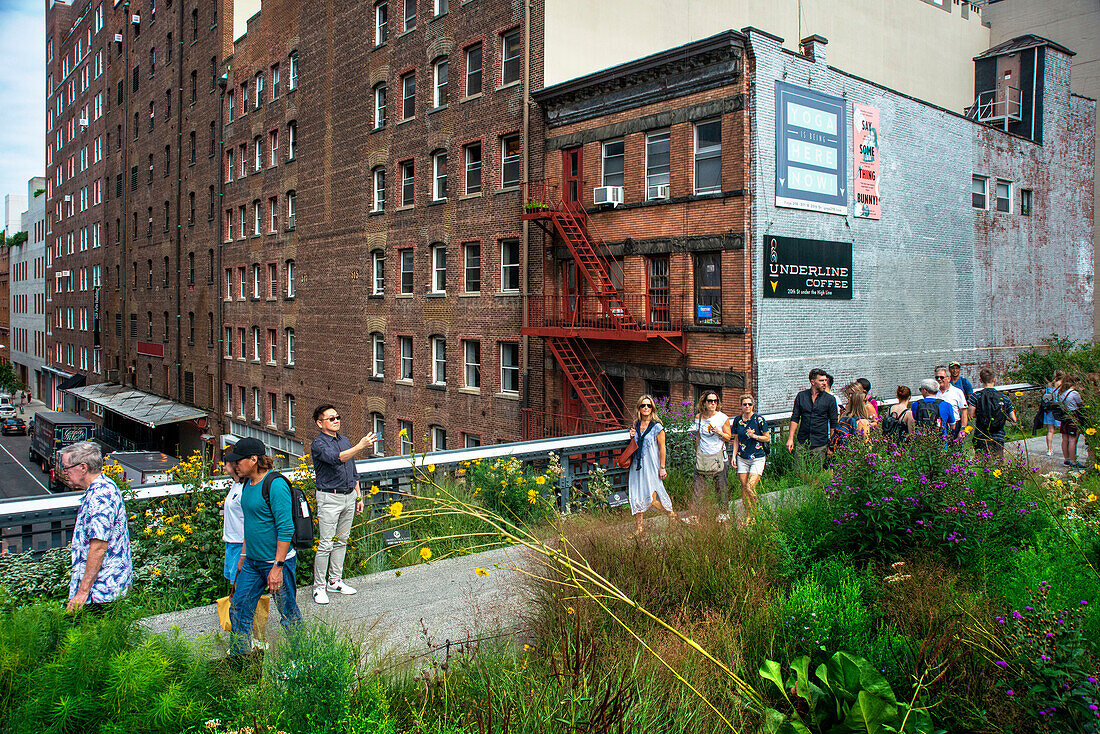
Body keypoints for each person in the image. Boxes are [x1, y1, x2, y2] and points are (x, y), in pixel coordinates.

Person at [229, 437, 302, 655]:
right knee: (239, 608)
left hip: (277, 562)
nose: (234, 465)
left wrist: (277, 567)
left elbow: (286, 528)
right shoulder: (247, 484)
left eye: (238, 461)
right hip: (252, 561)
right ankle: (242, 661)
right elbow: (250, 523)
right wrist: (243, 556)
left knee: (288, 613)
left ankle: (301, 658)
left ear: (253, 459)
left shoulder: (275, 484)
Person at [310, 405, 376, 605]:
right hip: (329, 498)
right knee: (325, 543)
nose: (336, 421)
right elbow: (338, 459)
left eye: (337, 417)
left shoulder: (344, 440)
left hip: (348, 495)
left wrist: (358, 496)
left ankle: (335, 581)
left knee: (342, 540)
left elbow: (351, 468)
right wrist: (361, 445)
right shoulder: (319, 444)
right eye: (331, 418)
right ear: (320, 423)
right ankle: (319, 587)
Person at [62, 441, 133, 613]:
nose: (65, 473)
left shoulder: (100, 497)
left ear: (83, 468)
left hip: (101, 593)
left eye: (66, 468)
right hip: (106, 590)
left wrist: (82, 592)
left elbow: (99, 547)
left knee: (94, 637)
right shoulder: (104, 486)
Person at [627, 395, 677, 537]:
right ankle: (639, 529)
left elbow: (662, 448)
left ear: (652, 408)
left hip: (652, 467)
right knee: (636, 496)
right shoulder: (635, 424)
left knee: (652, 500)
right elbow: (635, 444)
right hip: (637, 466)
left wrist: (662, 467)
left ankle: (671, 514)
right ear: (639, 408)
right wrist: (631, 436)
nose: (646, 408)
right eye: (643, 405)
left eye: (649, 406)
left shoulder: (657, 427)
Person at [730, 394, 770, 524]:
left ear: (753, 405)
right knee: (743, 487)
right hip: (742, 457)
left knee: (750, 486)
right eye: (744, 404)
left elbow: (767, 438)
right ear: (741, 406)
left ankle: (757, 512)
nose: (747, 406)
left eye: (749, 404)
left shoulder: (759, 420)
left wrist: (754, 436)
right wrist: (734, 456)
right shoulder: (737, 420)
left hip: (757, 457)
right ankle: (749, 516)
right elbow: (736, 438)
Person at [692, 391, 731, 518]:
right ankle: (695, 515)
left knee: (720, 486)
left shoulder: (722, 418)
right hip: (703, 455)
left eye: (715, 401)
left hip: (718, 456)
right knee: (698, 487)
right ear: (704, 403)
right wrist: (698, 450)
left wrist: (719, 433)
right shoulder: (699, 417)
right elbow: (698, 436)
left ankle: (723, 513)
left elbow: (728, 437)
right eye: (710, 401)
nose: (713, 403)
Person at [786, 368, 839, 461]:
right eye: (821, 380)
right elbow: (795, 418)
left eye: (825, 380)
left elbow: (833, 422)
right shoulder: (801, 396)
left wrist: (831, 445)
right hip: (803, 440)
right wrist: (790, 439)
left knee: (817, 472)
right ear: (813, 382)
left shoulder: (830, 399)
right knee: (800, 471)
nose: (824, 383)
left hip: (820, 442)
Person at [967, 367, 1017, 459]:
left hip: (981, 436)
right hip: (998, 437)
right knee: (998, 464)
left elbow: (970, 416)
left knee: (982, 465)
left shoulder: (975, 396)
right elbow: (1014, 419)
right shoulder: (1004, 398)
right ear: (995, 379)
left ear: (980, 380)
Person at [222, 460, 245, 585]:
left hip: (239, 543)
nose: (223, 467)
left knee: (239, 583)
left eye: (226, 464)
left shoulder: (243, 489)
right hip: (230, 541)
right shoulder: (235, 485)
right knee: (233, 581)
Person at [1057, 374, 1086, 468]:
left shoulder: (1061, 392)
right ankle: (1074, 461)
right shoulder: (1074, 393)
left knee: (1065, 438)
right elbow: (1080, 404)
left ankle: (1067, 459)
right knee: (1073, 439)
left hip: (1064, 415)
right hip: (1073, 416)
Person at [934, 365, 969, 437]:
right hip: (938, 427)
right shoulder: (933, 392)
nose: (939, 379)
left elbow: (964, 412)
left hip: (955, 426)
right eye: (937, 377)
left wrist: (963, 429)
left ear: (949, 378)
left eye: (942, 377)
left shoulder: (957, 392)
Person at [1040, 370, 1065, 457]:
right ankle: (1065, 450)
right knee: (1063, 431)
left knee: (1050, 431)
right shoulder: (1063, 385)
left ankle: (1049, 450)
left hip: (1050, 409)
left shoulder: (1049, 384)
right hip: (1059, 409)